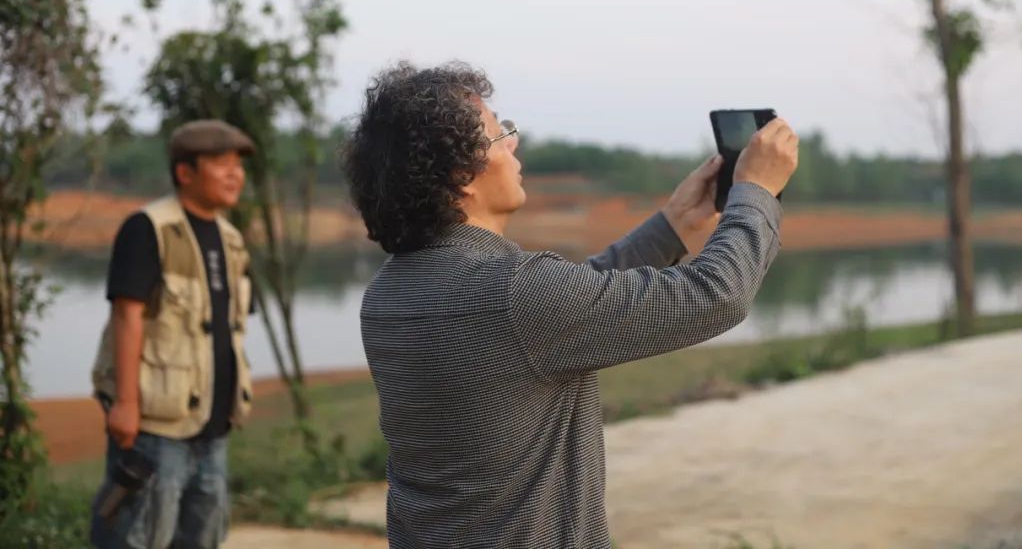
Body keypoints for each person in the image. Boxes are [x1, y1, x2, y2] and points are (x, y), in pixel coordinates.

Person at [341, 61, 799, 548]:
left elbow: (569, 303)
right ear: (461, 175)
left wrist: (673, 224)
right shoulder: (514, 295)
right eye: (500, 135)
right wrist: (755, 192)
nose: (514, 143)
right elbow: (716, 294)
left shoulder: (386, 296)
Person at [89, 119, 257, 549]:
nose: (235, 174)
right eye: (222, 164)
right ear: (185, 172)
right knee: (139, 537)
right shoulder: (149, 228)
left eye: (238, 165)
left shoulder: (232, 240)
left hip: (212, 428)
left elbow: (230, 329)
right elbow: (127, 315)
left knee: (203, 538)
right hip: (155, 427)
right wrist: (126, 403)